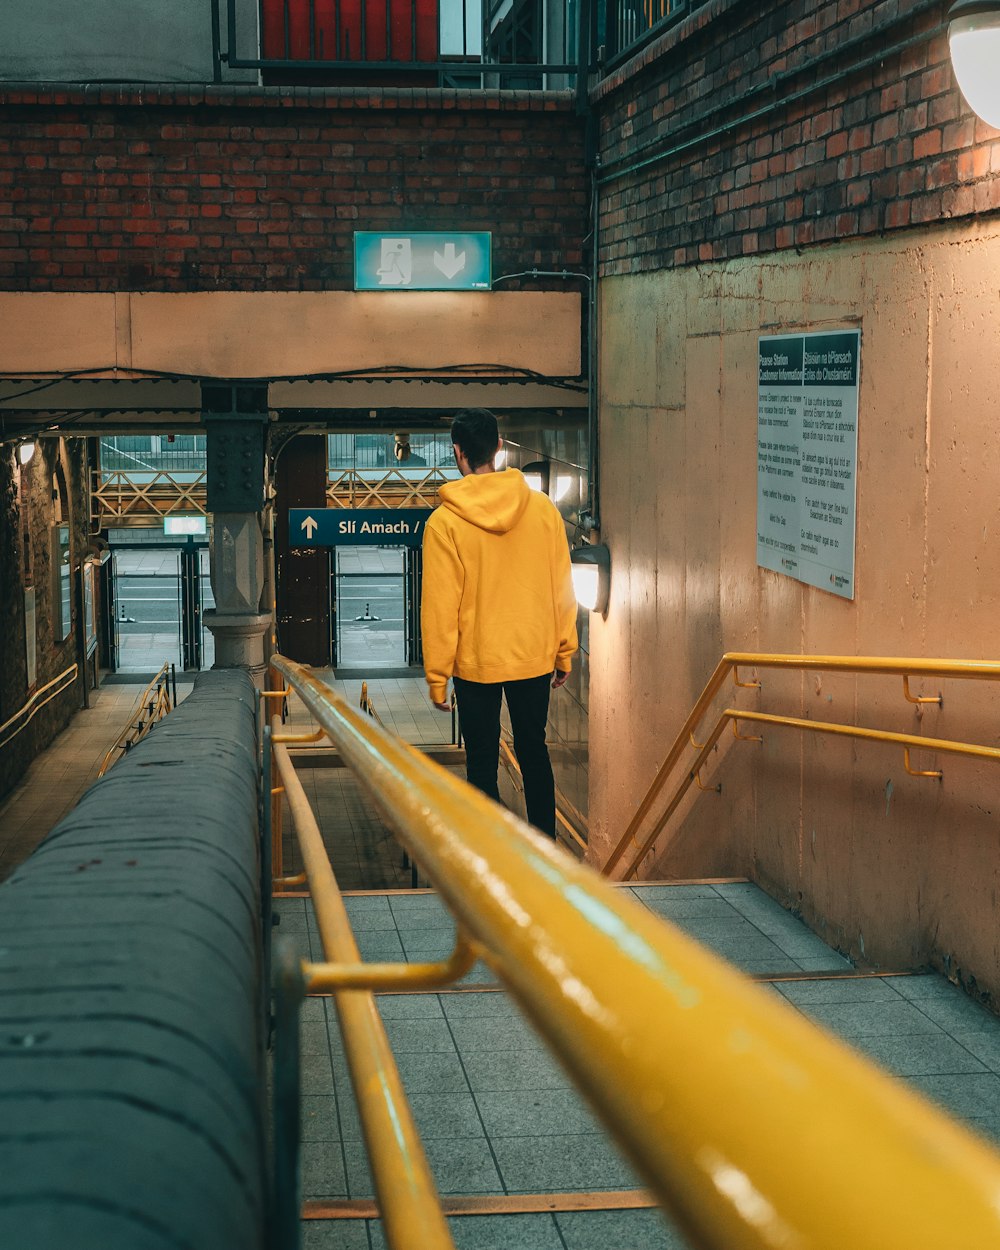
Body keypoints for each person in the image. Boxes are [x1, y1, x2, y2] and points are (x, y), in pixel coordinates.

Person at [420, 408, 578, 838]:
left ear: (457, 452)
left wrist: (438, 677)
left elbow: (440, 607)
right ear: (500, 448)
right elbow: (561, 585)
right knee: (534, 753)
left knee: (481, 764)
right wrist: (565, 650)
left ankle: (493, 852)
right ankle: (545, 850)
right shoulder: (543, 511)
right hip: (532, 656)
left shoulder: (444, 523)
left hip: (477, 664)